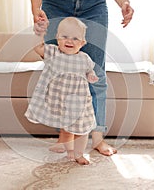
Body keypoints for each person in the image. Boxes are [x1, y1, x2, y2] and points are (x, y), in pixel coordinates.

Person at [29, 0, 134, 156]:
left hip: (94, 6)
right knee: (59, 74)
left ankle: (97, 138)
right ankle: (65, 136)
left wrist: (124, 2)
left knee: (96, 75)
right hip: (55, 3)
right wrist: (36, 9)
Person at [25, 17, 99, 165]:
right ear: (57, 38)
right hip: (59, 100)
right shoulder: (53, 52)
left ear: (82, 43)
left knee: (82, 129)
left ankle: (79, 154)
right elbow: (37, 47)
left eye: (75, 38)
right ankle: (70, 150)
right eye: (64, 37)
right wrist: (39, 33)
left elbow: (89, 71)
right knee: (66, 127)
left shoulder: (85, 58)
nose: (69, 41)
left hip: (79, 102)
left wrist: (91, 76)